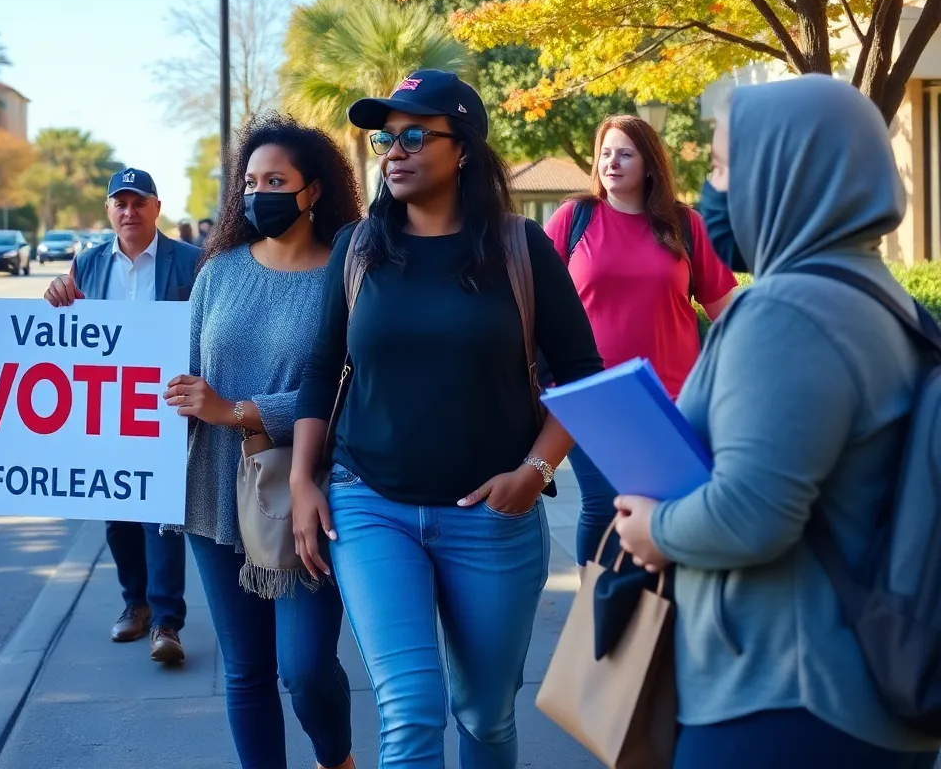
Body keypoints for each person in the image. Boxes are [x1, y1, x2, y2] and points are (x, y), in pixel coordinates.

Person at [614, 76, 941, 768]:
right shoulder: (891, 307)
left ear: (789, 173)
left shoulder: (789, 312)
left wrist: (653, 530)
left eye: (727, 166)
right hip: (863, 699)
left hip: (780, 700)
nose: (712, 187)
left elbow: (753, 513)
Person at [291, 70, 602, 769]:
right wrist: (306, 481)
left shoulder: (522, 249)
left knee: (487, 717)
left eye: (413, 135)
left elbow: (584, 379)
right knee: (409, 712)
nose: (393, 151)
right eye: (383, 138)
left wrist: (536, 471)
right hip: (371, 507)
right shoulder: (358, 249)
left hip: (491, 519)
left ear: (462, 148)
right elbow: (321, 371)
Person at [163, 114, 359, 769]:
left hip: (299, 494)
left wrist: (238, 411)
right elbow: (180, 371)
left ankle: (336, 757)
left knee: (303, 667)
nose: (258, 193)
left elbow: (347, 389)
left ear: (312, 192)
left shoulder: (349, 275)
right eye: (249, 181)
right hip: (215, 493)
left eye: (275, 180)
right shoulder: (217, 272)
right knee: (245, 671)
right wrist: (69, 310)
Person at [545, 114, 735, 570]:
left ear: (650, 164)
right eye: (606, 153)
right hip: (592, 397)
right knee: (604, 503)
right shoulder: (573, 218)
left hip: (673, 398)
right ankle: (600, 609)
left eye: (625, 153)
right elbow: (533, 300)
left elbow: (728, 312)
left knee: (662, 511)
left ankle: (650, 618)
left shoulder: (685, 225)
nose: (612, 162)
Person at [44, 167, 200, 665]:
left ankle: (166, 622)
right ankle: (134, 604)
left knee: (161, 518)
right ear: (109, 211)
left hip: (166, 411)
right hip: (108, 414)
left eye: (139, 203)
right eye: (120, 204)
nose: (129, 212)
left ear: (157, 208)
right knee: (118, 516)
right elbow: (66, 335)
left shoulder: (192, 262)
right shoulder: (86, 264)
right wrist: (57, 298)